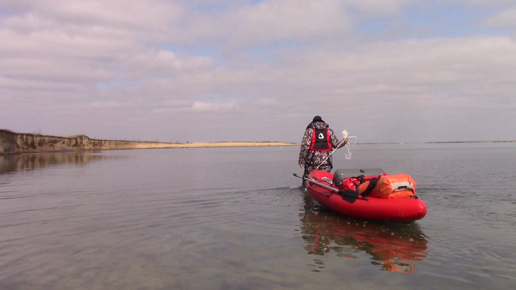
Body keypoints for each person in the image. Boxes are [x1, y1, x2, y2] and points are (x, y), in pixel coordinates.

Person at [298, 116, 348, 182]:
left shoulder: (309, 131)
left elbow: (305, 147)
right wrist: (344, 141)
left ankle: (306, 189)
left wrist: (301, 160)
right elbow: (336, 145)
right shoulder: (329, 131)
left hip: (312, 162)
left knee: (309, 180)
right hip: (326, 162)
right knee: (325, 180)